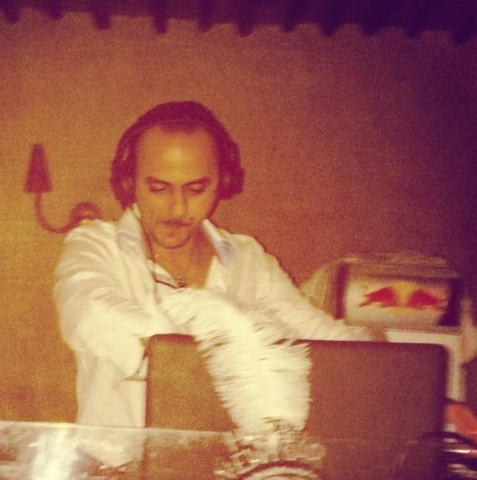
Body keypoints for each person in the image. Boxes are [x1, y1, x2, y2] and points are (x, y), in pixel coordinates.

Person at [54, 101, 370, 429]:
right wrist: (218, 350)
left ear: (224, 181)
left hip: (223, 462)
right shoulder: (95, 245)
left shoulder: (247, 260)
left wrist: (379, 358)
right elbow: (89, 313)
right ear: (129, 182)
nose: (177, 208)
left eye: (196, 189)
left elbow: (322, 339)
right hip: (117, 462)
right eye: (159, 188)